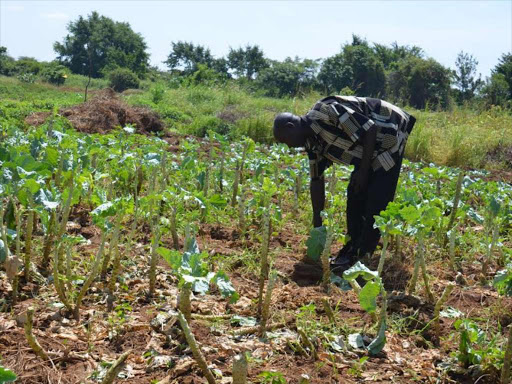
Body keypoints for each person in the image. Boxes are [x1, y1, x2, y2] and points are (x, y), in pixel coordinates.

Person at [273, 95, 416, 273]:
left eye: (286, 140)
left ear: (291, 127)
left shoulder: (325, 112)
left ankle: (362, 256)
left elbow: (369, 130)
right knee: (355, 193)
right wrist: (317, 220)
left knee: (377, 199)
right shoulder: (312, 143)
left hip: (388, 131)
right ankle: (350, 250)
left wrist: (363, 172)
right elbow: (316, 179)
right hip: (368, 148)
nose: (289, 146)